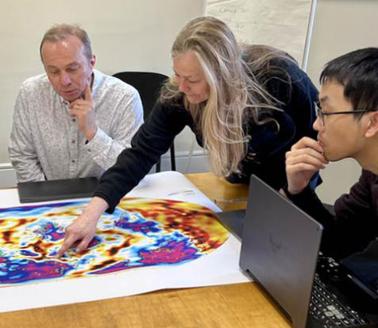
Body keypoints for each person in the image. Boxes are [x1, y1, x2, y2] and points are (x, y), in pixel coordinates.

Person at [58, 16, 318, 255]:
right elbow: (140, 153)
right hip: (239, 177)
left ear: (221, 75)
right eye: (177, 75)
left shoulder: (279, 78)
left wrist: (291, 195)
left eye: (191, 80)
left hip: (289, 182)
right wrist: (92, 213)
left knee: (275, 253)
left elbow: (316, 137)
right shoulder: (179, 94)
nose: (182, 87)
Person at [9, 24, 143, 182]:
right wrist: (46, 197)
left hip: (109, 193)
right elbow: (22, 155)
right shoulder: (30, 93)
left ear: (92, 62)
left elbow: (133, 168)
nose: (64, 81)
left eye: (72, 69)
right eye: (53, 72)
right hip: (49, 197)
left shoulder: (124, 97)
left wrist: (93, 133)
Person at [284, 47, 378, 259]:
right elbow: (338, 243)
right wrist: (299, 189)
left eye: (326, 113)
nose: (316, 125)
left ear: (372, 122)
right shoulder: (372, 175)